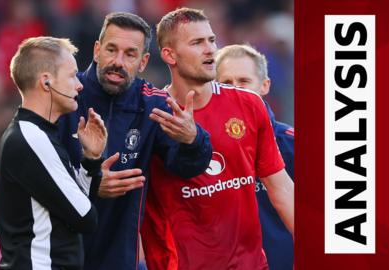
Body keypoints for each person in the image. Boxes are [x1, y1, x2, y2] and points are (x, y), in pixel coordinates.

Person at [141, 8, 294, 270]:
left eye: (211, 40)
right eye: (197, 43)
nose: (210, 49)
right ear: (169, 54)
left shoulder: (249, 105)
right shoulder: (152, 115)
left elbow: (281, 189)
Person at [57, 12, 212, 270]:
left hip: (117, 257)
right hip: (57, 254)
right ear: (97, 50)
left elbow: (186, 167)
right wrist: (88, 184)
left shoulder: (153, 106)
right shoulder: (65, 97)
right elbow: (36, 171)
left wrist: (193, 140)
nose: (118, 62)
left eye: (130, 54)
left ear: (143, 62)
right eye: (111, 50)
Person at [0, 36, 108, 269]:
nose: (79, 84)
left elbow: (79, 207)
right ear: (46, 82)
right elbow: (85, 217)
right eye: (71, 75)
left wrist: (91, 160)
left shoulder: (38, 134)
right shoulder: (32, 137)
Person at [215, 44, 295, 270]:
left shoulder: (292, 145)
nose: (235, 90)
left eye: (243, 82)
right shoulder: (202, 148)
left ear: (264, 86)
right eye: (226, 83)